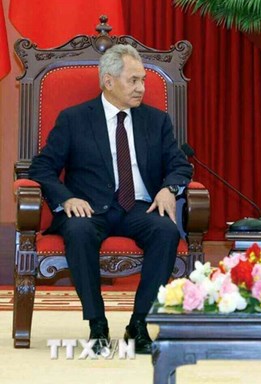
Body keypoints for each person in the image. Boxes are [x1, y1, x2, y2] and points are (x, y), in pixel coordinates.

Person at [29, 44, 192, 354]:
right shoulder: (74, 119)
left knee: (166, 231)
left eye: (143, 80)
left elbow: (179, 165)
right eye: (133, 80)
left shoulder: (156, 121)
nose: (141, 88)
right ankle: (97, 324)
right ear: (108, 81)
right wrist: (67, 199)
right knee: (78, 231)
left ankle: (139, 323)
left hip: (139, 207)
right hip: (89, 209)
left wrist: (169, 189)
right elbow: (42, 168)